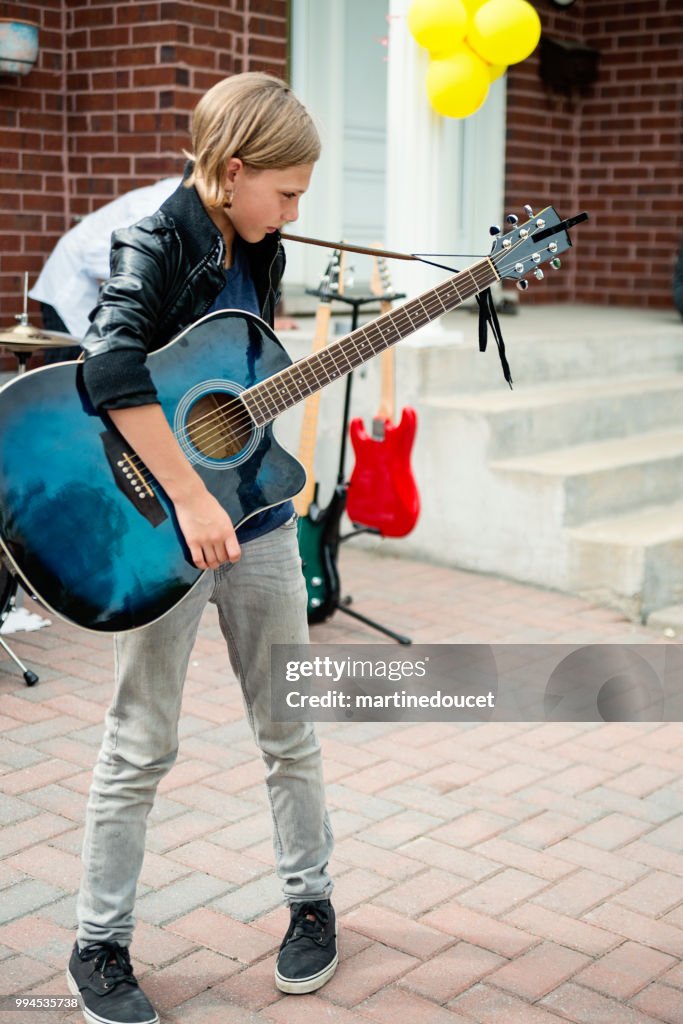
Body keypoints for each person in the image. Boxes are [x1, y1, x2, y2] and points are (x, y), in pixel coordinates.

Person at [66, 73, 336, 1024]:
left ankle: (311, 904)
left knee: (289, 730)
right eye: (287, 191)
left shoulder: (256, 243)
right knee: (140, 742)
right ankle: (98, 945)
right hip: (164, 530)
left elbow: (230, 372)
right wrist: (186, 497)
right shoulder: (155, 236)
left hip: (255, 517)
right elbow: (110, 365)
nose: (296, 209)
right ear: (232, 171)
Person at [29, 176, 182, 360]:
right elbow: (95, 255)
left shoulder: (176, 197)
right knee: (66, 376)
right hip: (70, 293)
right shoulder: (158, 206)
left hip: (87, 292)